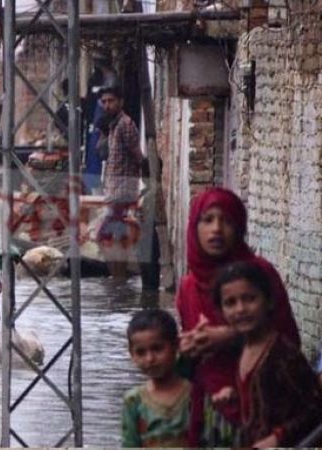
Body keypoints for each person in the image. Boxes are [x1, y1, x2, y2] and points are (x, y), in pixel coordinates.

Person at [175, 187, 299, 446]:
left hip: (265, 408)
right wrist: (185, 350)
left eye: (227, 221)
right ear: (194, 227)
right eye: (207, 220)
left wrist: (230, 336)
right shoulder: (188, 287)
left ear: (240, 227)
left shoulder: (260, 274)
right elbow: (189, 367)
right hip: (209, 409)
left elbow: (289, 341)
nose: (216, 229)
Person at [212, 261, 322, 447]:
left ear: (269, 301)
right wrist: (234, 395)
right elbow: (266, 398)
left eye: (250, 299)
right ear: (221, 310)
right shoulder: (242, 348)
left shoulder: (283, 356)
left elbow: (315, 410)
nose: (240, 309)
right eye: (230, 303)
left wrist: (278, 437)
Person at [121, 309, 191, 447]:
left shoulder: (195, 395)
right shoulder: (133, 401)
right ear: (131, 354)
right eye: (141, 352)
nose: (150, 359)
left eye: (157, 349)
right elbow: (129, 444)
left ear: (176, 345)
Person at [96, 85, 144, 280]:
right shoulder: (112, 126)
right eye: (104, 102)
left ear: (120, 102)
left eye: (111, 101)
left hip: (123, 191)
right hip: (113, 190)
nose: (107, 105)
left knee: (107, 236)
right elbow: (103, 153)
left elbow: (137, 155)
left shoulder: (125, 124)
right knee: (114, 236)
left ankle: (119, 277)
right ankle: (117, 278)